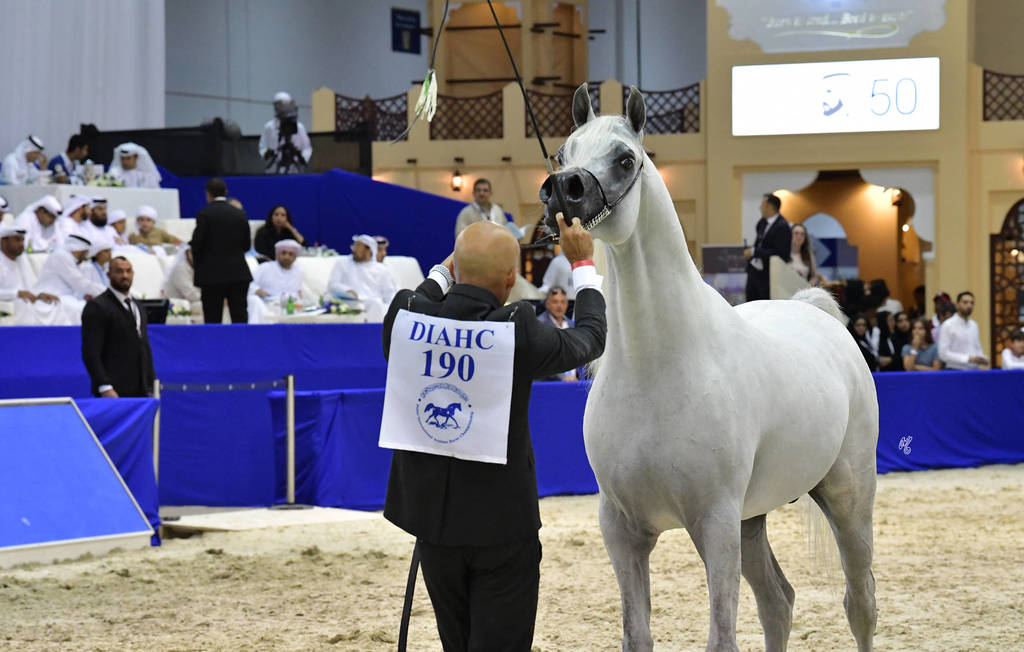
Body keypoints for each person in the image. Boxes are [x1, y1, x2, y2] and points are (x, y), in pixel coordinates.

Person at [381, 215, 606, 651]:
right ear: (510, 280)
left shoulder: (405, 317)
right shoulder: (515, 330)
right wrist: (583, 265)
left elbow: (424, 293)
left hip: (433, 527)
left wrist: (447, 271)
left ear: (457, 271)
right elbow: (591, 338)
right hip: (502, 528)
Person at [81, 256, 156, 398]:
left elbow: (144, 346)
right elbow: (91, 352)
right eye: (119, 271)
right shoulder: (97, 307)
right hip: (114, 390)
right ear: (109, 275)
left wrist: (150, 384)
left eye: (128, 271)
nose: (125, 275)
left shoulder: (138, 306)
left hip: (141, 390)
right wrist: (104, 386)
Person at [190, 178, 253, 323]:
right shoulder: (240, 214)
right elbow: (246, 245)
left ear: (208, 194)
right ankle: (243, 345)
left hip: (212, 276)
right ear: (226, 192)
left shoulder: (205, 213)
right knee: (240, 318)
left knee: (213, 319)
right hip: (238, 273)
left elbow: (197, 244)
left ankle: (214, 346)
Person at [33, 233, 104, 324]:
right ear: (81, 250)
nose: (86, 256)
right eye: (85, 252)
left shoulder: (71, 259)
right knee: (83, 309)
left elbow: (77, 285)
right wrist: (106, 293)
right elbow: (79, 282)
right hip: (52, 294)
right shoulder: (61, 256)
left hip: (65, 296)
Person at [327, 234, 397, 321]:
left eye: (358, 246)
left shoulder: (381, 269)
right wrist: (346, 290)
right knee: (376, 304)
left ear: (369, 250)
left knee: (383, 306)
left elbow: (389, 292)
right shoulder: (343, 263)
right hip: (350, 301)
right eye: (354, 246)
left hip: (375, 303)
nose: (354, 250)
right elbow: (333, 284)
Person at [743, 193, 791, 302]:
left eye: (762, 204)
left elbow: (781, 254)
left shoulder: (783, 227)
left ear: (770, 207)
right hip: (754, 271)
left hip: (768, 276)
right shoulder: (762, 223)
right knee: (750, 302)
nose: (760, 207)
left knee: (763, 305)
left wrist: (755, 252)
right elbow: (759, 242)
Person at [247, 239, 305, 323]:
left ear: (295, 257)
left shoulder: (298, 272)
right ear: (277, 254)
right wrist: (257, 290)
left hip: (289, 308)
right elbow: (249, 283)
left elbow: (298, 294)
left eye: (290, 254)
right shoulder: (265, 267)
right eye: (283, 253)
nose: (286, 257)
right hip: (266, 306)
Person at [259, 91, 313, 174]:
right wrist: (268, 154)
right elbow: (263, 147)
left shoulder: (299, 127)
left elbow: (307, 148)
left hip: (294, 170)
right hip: (274, 170)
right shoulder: (269, 127)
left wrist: (300, 157)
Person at [454, 178, 523, 240]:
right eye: (478, 190)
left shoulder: (497, 210)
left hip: (498, 250)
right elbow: (460, 236)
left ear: (490, 193)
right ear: (473, 193)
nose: (482, 193)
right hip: (476, 252)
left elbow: (505, 229)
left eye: (485, 190)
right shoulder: (466, 213)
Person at [938, 291, 989, 369]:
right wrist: (968, 359)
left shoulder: (974, 325)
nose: (969, 305)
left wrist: (982, 358)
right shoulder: (948, 325)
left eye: (972, 303)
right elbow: (943, 354)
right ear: (957, 305)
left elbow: (977, 348)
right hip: (955, 370)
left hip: (974, 370)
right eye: (965, 302)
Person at [538, 287, 580, 381]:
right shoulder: (539, 325)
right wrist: (564, 378)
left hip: (574, 383)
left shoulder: (572, 325)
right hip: (550, 386)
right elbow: (545, 358)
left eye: (562, 302)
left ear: (567, 304)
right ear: (547, 304)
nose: (559, 306)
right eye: (555, 302)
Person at [163, 245, 202, 316]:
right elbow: (191, 295)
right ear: (188, 253)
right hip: (175, 306)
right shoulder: (180, 269)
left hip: (190, 303)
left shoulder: (198, 267)